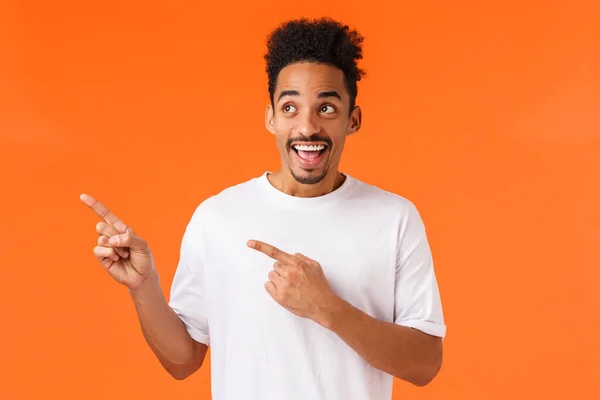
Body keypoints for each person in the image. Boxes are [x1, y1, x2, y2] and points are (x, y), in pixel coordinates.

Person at [80, 17, 446, 400]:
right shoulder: (218, 217)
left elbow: (425, 364)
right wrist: (144, 286)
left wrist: (328, 309)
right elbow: (183, 361)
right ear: (271, 118)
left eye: (326, 109)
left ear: (352, 120)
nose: (307, 127)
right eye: (290, 107)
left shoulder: (394, 218)